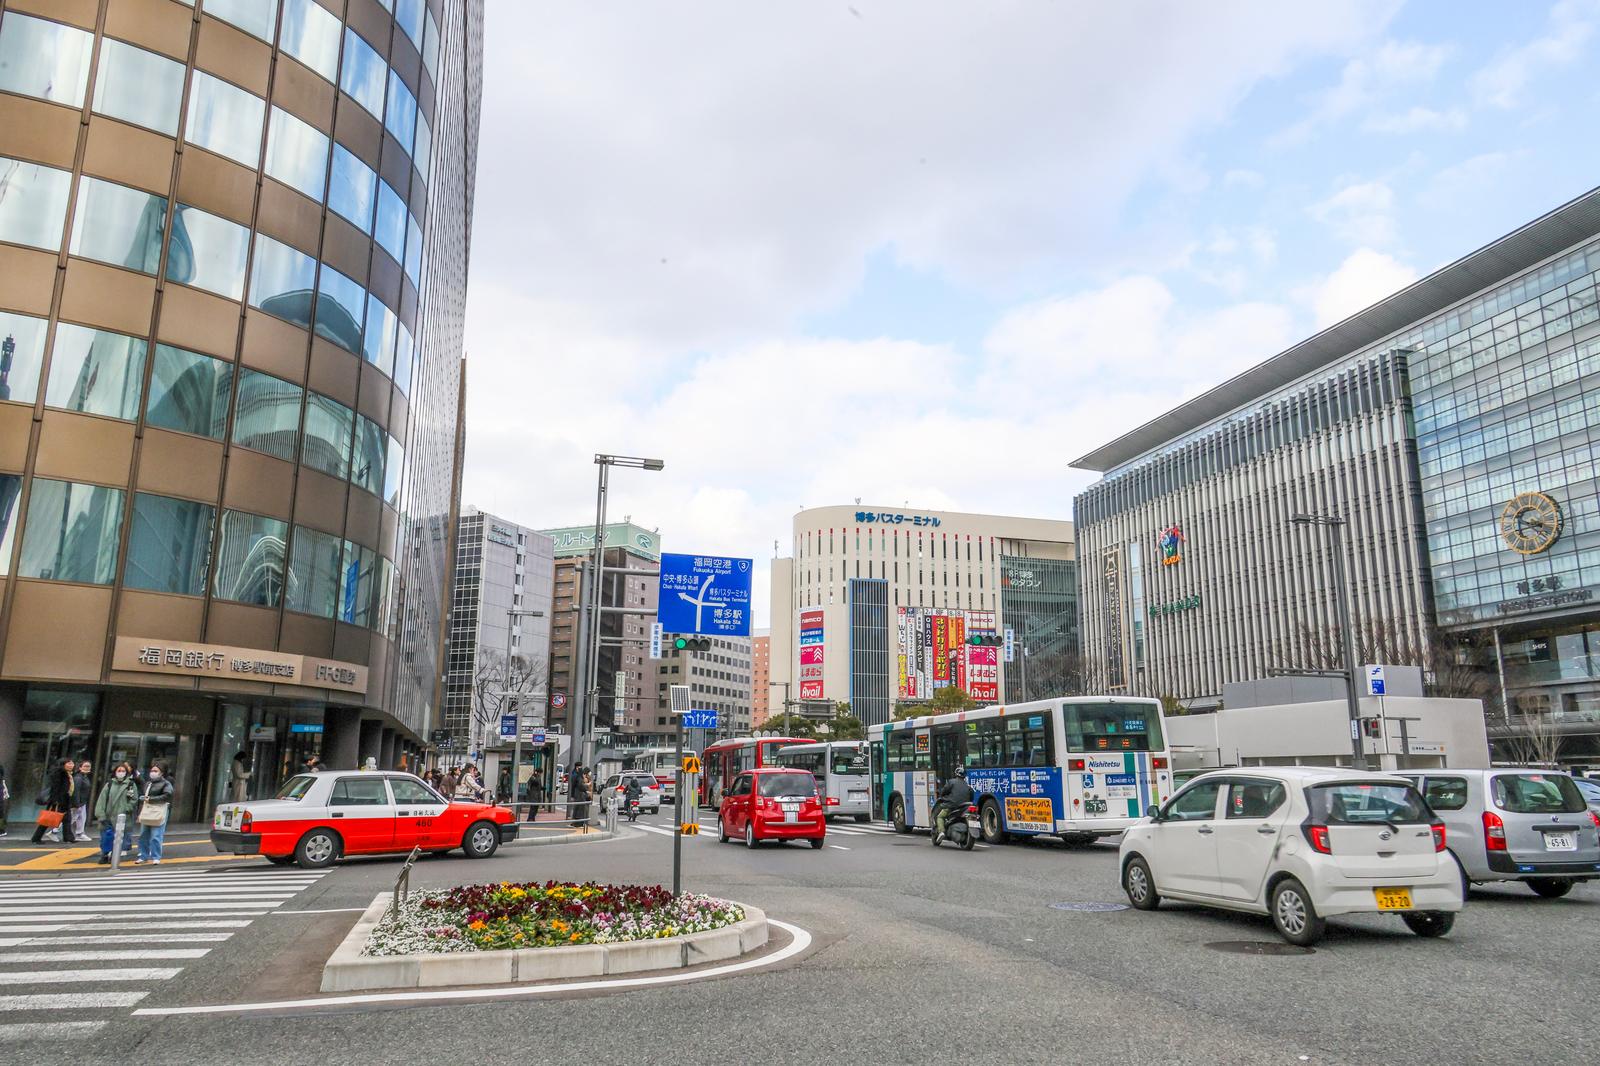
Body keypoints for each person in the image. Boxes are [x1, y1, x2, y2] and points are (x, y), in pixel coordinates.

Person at [93, 762, 139, 864]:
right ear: (115, 772)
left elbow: (134, 800)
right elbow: (102, 800)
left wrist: (126, 809)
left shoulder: (131, 784)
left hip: (122, 816)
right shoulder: (109, 784)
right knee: (106, 836)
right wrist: (101, 815)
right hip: (108, 816)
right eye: (119, 771)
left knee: (119, 838)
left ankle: (114, 856)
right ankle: (105, 854)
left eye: (123, 771)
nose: (121, 773)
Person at [134, 762, 174, 865]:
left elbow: (167, 795)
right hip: (148, 810)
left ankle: (156, 856)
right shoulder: (148, 783)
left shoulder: (166, 784)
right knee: (143, 835)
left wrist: (150, 799)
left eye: (156, 771)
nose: (153, 773)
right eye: (152, 770)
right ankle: (143, 855)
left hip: (158, 810)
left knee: (156, 835)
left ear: (162, 773)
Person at [31, 757, 78, 844]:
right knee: (47, 819)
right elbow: (55, 788)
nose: (71, 765)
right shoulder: (59, 774)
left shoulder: (69, 774)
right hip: (58, 800)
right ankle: (36, 838)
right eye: (69, 763)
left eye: (72, 763)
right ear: (63, 764)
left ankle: (68, 838)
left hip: (65, 799)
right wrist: (56, 800)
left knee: (67, 819)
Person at [931, 767, 975, 845]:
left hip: (951, 806)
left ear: (956, 774)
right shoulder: (968, 786)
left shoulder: (951, 782)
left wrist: (942, 795)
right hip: (964, 807)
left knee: (940, 817)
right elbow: (971, 797)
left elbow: (944, 792)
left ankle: (941, 832)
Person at [70, 758, 93, 843]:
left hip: (82, 802)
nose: (87, 768)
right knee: (72, 818)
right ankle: (55, 830)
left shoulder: (84, 777)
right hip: (78, 802)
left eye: (89, 766)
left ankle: (80, 833)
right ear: (80, 767)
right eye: (85, 766)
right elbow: (76, 791)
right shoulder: (78, 778)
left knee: (81, 818)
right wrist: (76, 803)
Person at [569, 763, 592, 828]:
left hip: (578, 795)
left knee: (577, 809)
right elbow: (580, 785)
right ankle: (579, 824)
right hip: (580, 795)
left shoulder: (576, 775)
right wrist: (586, 788)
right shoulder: (579, 777)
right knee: (580, 810)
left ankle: (576, 823)